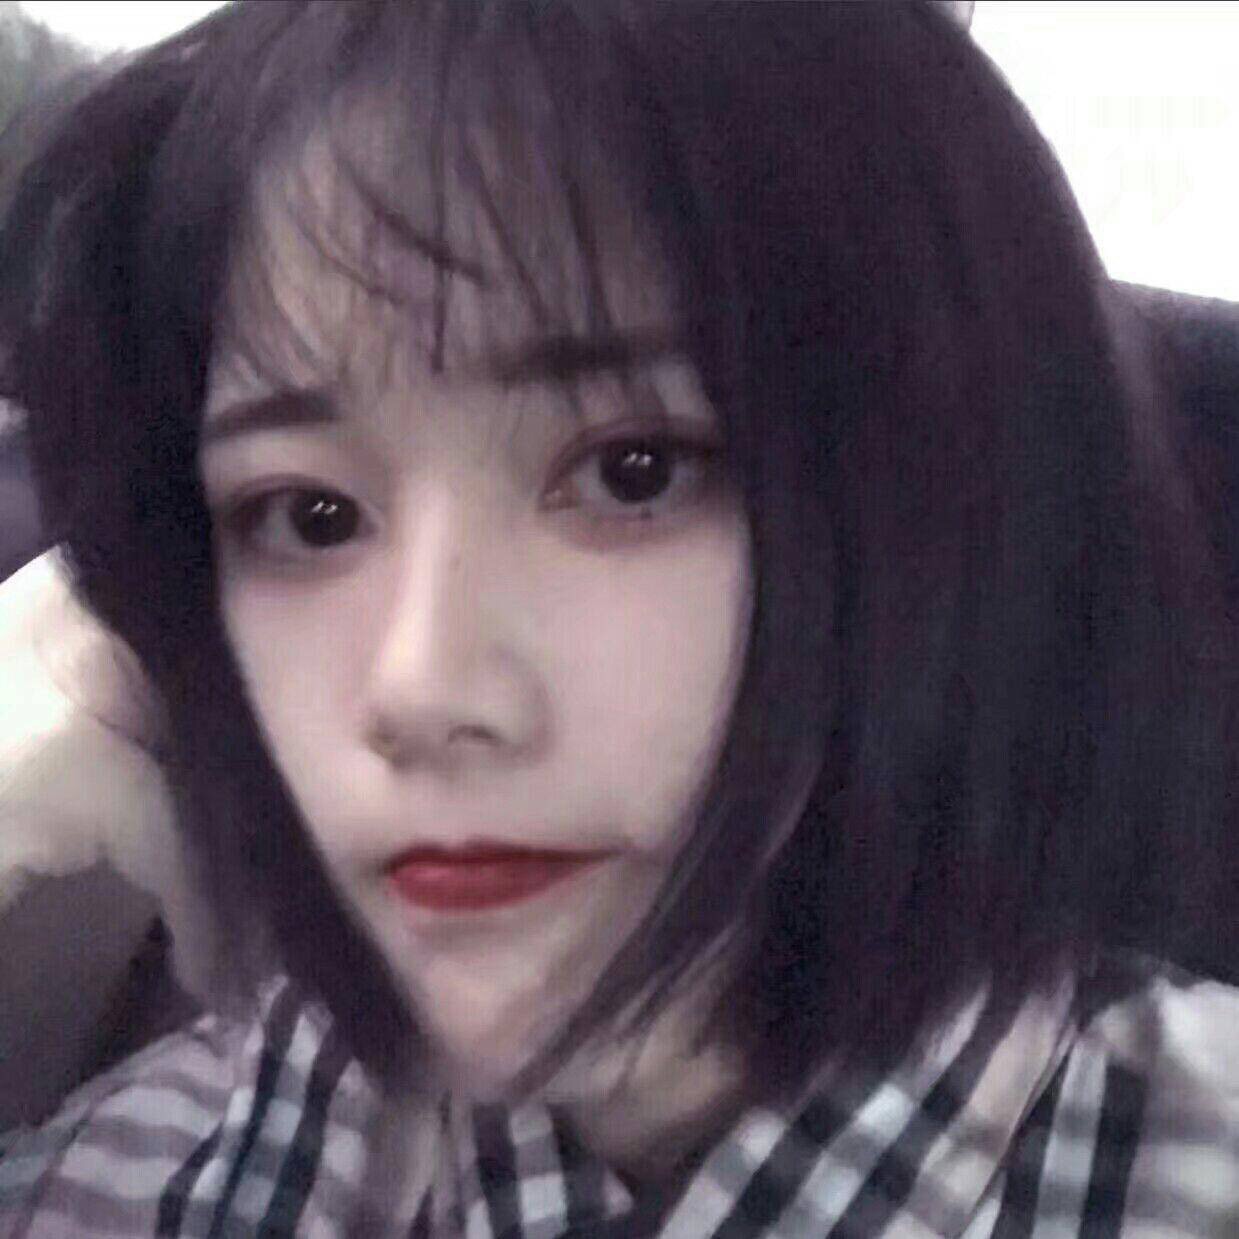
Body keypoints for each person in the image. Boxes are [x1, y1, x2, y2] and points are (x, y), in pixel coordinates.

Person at [1, 1, 1237, 1234]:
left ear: (960, 509)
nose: (420, 686)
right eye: (309, 517)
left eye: (632, 474)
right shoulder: (149, 1163)